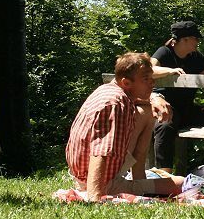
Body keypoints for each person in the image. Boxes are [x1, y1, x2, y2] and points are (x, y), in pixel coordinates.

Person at [66, 52, 184, 202]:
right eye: (146, 79)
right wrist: (95, 199)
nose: (152, 83)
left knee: (146, 111)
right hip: (98, 182)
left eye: (151, 78)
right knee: (182, 183)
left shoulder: (110, 91)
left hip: (88, 174)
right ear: (126, 82)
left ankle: (139, 178)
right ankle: (137, 185)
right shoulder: (115, 105)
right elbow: (100, 153)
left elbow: (141, 101)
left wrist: (155, 97)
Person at [151, 20, 204, 173]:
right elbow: (148, 69)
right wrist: (169, 71)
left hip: (187, 109)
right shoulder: (164, 52)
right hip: (167, 107)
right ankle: (164, 175)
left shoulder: (195, 56)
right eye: (195, 38)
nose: (198, 42)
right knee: (165, 126)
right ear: (184, 40)